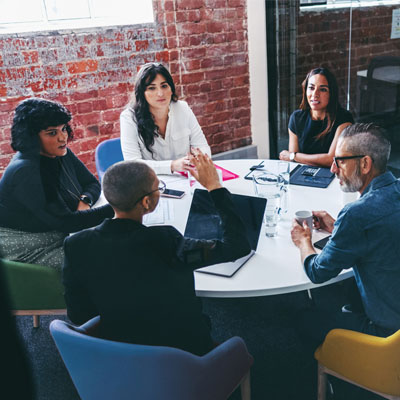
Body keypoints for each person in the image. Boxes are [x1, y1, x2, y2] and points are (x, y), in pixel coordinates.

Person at [63, 150, 251, 356]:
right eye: (158, 189)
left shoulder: (76, 245)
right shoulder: (168, 243)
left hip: (117, 350)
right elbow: (237, 246)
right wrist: (215, 187)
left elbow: (79, 314)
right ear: (146, 202)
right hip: (183, 353)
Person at [290, 123, 400, 347]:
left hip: (387, 334)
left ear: (365, 163)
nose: (332, 169)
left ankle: (340, 377)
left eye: (339, 161)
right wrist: (336, 227)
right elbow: (382, 233)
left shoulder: (356, 215)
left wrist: (304, 241)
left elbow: (317, 272)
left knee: (303, 319)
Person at [0, 98, 114, 269]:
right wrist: (120, 207)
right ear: (32, 136)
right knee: (102, 255)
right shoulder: (25, 171)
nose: (63, 138)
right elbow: (67, 222)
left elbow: (91, 183)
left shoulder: (58, 152)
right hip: (27, 246)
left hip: (56, 230)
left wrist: (85, 201)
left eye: (63, 129)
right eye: (52, 133)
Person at [120, 62, 211, 175]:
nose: (160, 93)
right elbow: (133, 165)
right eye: (152, 88)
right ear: (142, 93)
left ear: (171, 88)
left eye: (164, 86)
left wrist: (198, 159)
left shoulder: (183, 108)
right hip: (151, 184)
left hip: (186, 178)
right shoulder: (129, 118)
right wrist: (172, 166)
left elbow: (203, 147)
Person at [279, 67, 353, 167]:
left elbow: (332, 160)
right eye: (311, 88)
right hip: (304, 175)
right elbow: (294, 163)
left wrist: (294, 156)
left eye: (323, 89)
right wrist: (294, 157)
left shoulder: (344, 119)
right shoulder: (296, 118)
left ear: (331, 93)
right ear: (305, 90)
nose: (315, 94)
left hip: (334, 176)